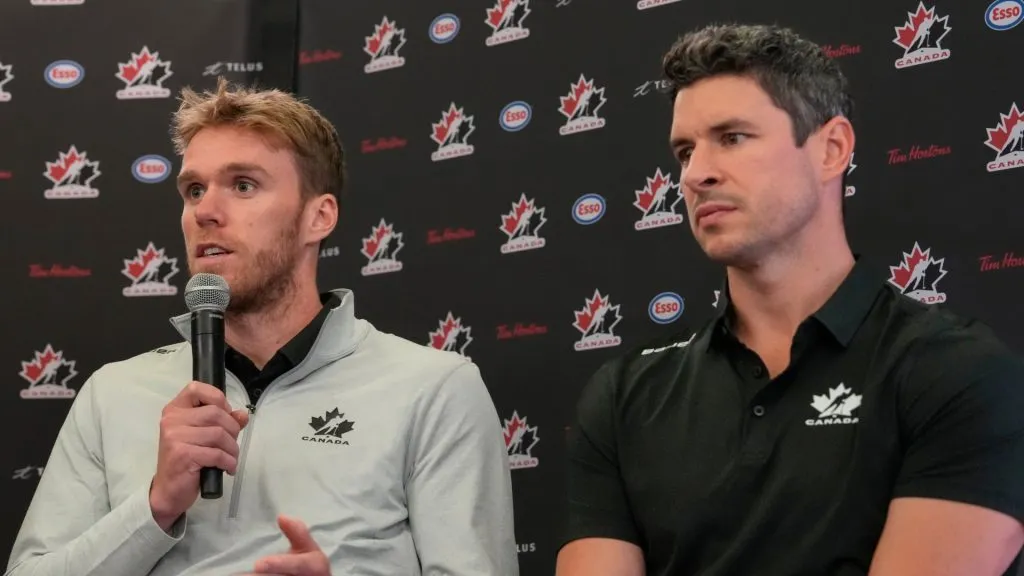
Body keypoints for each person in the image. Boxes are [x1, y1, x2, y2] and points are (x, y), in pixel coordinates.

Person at [556, 23, 1024, 576]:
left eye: (732, 137)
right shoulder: (625, 395)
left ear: (831, 149)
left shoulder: (958, 373)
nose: (696, 174)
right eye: (684, 150)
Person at [6, 78, 519, 576]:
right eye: (193, 189)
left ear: (319, 217)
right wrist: (155, 507)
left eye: (243, 185)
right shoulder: (112, 392)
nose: (205, 211)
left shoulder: (434, 388)